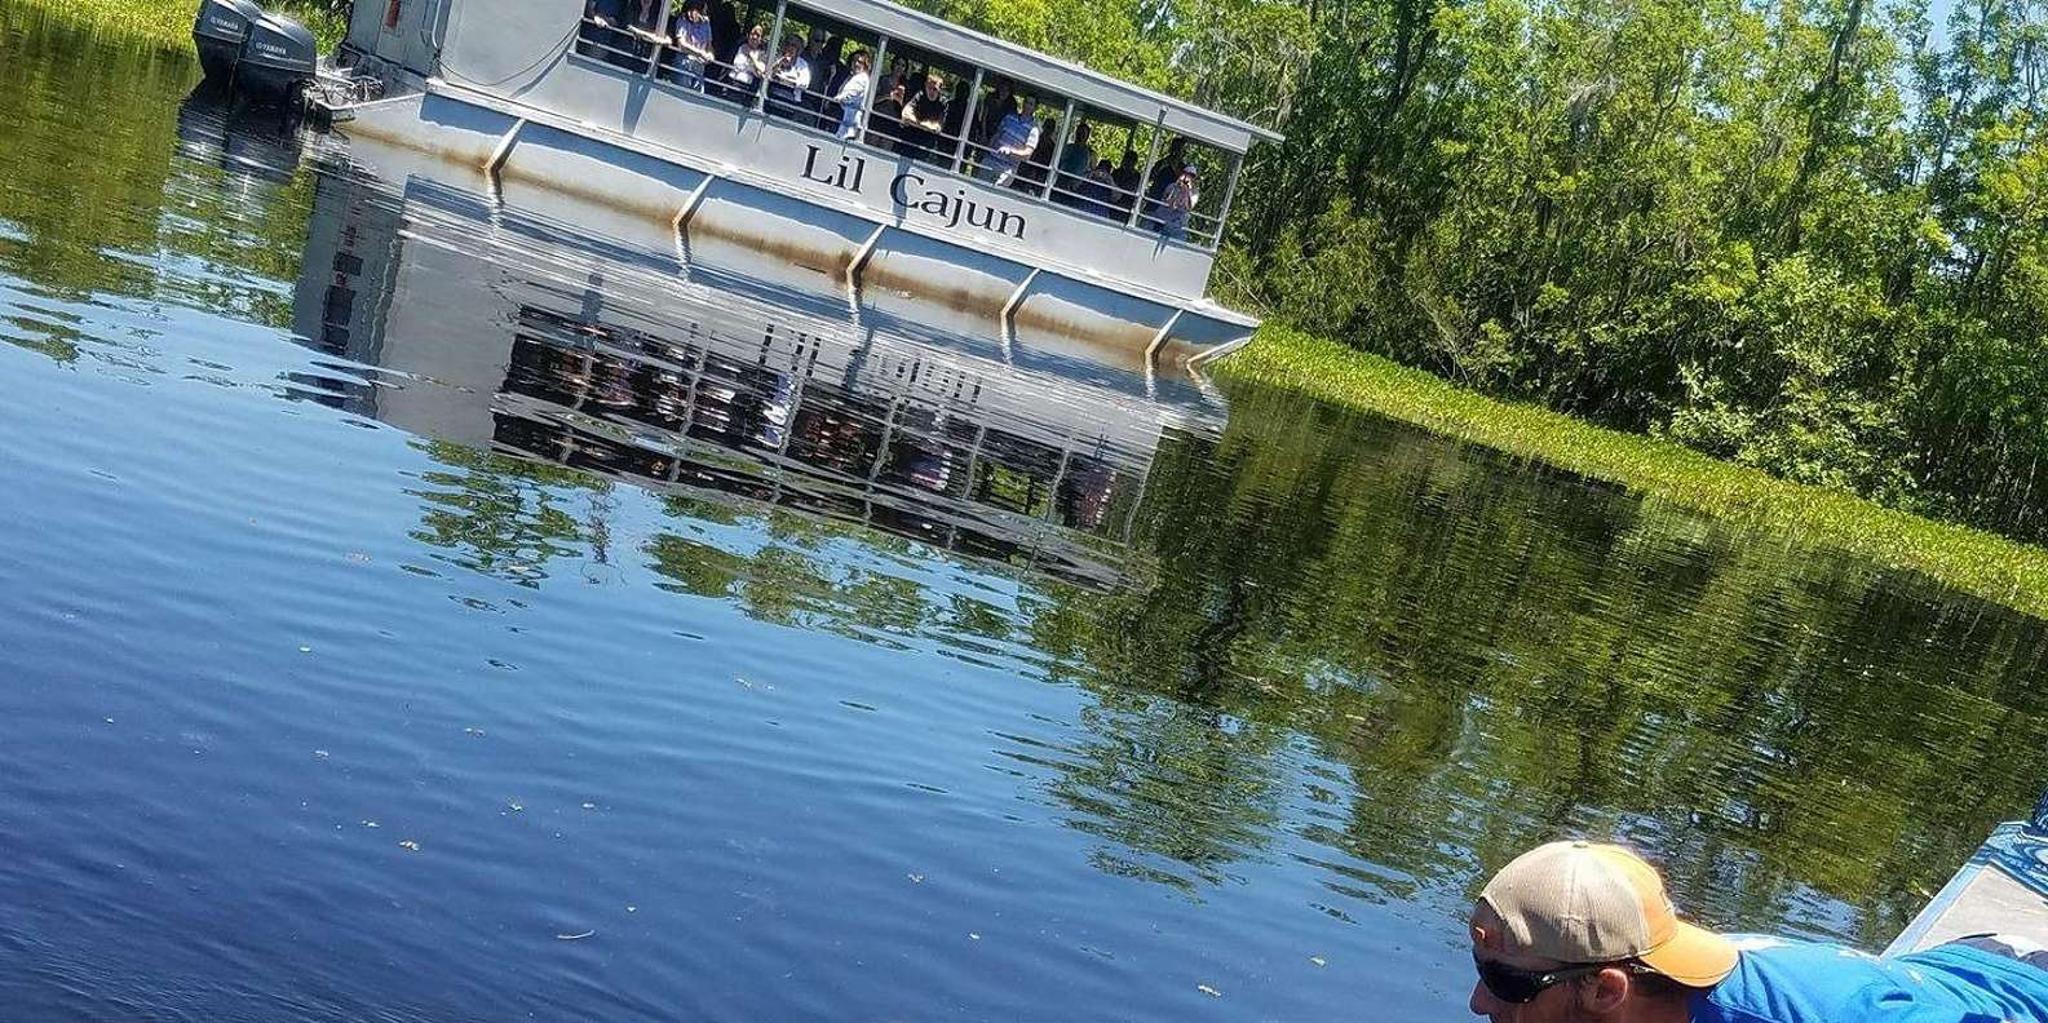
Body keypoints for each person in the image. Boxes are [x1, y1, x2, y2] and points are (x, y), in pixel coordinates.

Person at [1468, 840, 2048, 1023]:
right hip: (1951, 965)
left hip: (2018, 985)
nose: (1478, 1002)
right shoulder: (1656, 996)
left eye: (1506, 982)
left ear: (1606, 988)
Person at [977, 95, 1040, 186]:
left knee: (995, 193)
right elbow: (996, 136)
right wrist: (987, 150)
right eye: (1026, 102)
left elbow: (1027, 154)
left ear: (1035, 108)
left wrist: (1010, 151)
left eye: (1030, 104)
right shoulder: (1009, 117)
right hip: (990, 160)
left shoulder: (1034, 129)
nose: (1027, 105)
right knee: (978, 187)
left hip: (1007, 168)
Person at [663, 0, 715, 89]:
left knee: (697, 95)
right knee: (680, 92)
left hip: (700, 67)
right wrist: (699, 53)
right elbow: (681, 44)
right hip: (684, 64)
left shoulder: (706, 23)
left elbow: (709, 45)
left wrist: (711, 54)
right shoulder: (682, 20)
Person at [901, 73, 951, 164]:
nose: (931, 91)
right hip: (910, 139)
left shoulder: (943, 103)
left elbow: (937, 128)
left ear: (940, 90)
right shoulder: (920, 95)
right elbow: (905, 113)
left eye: (935, 89)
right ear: (925, 86)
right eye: (929, 88)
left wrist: (914, 122)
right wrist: (926, 125)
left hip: (926, 145)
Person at [828, 50, 871, 140]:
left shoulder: (861, 78)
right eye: (854, 61)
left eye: (860, 62)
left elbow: (851, 93)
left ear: (865, 65)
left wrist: (839, 98)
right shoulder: (852, 76)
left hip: (851, 123)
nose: (856, 64)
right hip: (844, 118)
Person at [722, 23, 769, 104]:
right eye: (752, 34)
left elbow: (762, 71)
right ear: (748, 35)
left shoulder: (762, 54)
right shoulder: (739, 46)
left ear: (761, 39)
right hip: (731, 83)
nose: (754, 37)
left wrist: (752, 57)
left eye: (758, 35)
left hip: (747, 89)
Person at [766, 37, 811, 120]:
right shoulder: (777, 58)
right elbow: (768, 74)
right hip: (771, 98)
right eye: (788, 44)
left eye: (794, 45)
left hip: (790, 103)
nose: (790, 47)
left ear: (799, 50)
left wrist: (787, 79)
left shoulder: (803, 64)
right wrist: (780, 62)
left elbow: (805, 83)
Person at [1054, 121, 1095, 201]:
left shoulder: (1091, 154)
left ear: (1087, 136)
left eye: (1083, 133)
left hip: (1077, 187)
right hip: (1061, 182)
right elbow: (1059, 162)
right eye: (1079, 132)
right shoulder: (1068, 147)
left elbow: (1092, 173)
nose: (1080, 135)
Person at [1156, 164, 1197, 240]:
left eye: (1191, 175)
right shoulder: (1172, 186)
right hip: (1162, 220)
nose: (1187, 177)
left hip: (1178, 226)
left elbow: (1189, 207)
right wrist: (1177, 186)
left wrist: (1187, 191)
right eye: (1185, 173)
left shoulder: (1194, 192)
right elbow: (1166, 199)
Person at [868, 79, 907, 152]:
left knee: (884, 150)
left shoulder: (906, 87)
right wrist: (887, 96)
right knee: (870, 146)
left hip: (891, 127)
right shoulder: (883, 81)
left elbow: (907, 112)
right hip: (877, 122)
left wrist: (900, 100)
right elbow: (872, 100)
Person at [1110, 149, 1141, 216]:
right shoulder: (1117, 172)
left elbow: (1133, 188)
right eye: (1127, 159)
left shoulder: (1137, 175)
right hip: (1114, 202)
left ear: (1135, 162)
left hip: (1127, 204)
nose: (1128, 162)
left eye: (1131, 160)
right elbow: (1111, 185)